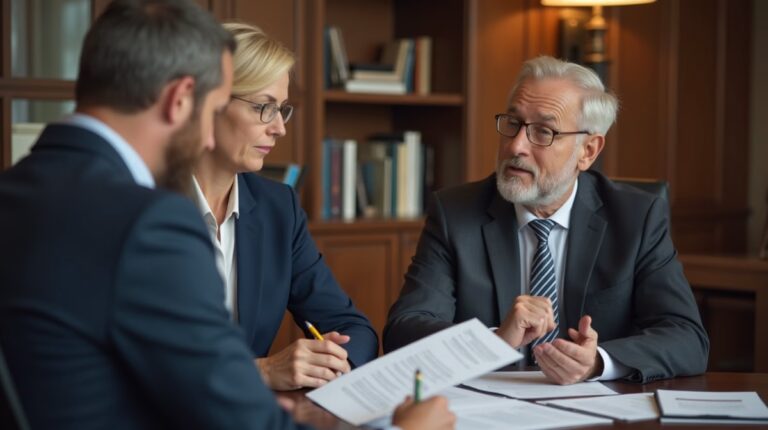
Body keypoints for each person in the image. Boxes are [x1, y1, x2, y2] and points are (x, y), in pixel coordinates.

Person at [0, 1, 453, 429]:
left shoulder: (20, 191)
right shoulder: (148, 221)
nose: (278, 127)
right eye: (215, 107)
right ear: (181, 99)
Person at [383, 56, 709, 385]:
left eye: (544, 131)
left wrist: (597, 362)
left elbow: (687, 338)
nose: (516, 145)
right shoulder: (455, 213)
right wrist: (493, 343)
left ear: (588, 151)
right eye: (512, 122)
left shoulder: (636, 218)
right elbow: (403, 330)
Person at [192, 23, 377, 391]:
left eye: (283, 110)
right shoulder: (140, 208)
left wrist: (331, 361)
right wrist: (261, 371)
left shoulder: (279, 208)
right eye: (264, 107)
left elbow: (354, 329)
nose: (279, 128)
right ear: (208, 104)